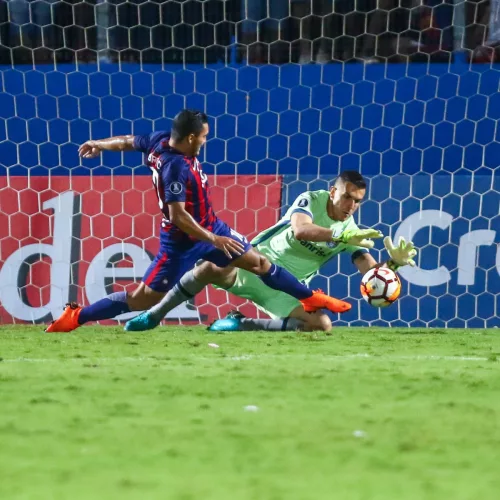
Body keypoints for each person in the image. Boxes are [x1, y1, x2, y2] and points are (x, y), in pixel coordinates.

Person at [45, 109, 356, 333]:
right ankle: (77, 316)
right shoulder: (175, 168)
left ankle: (311, 297)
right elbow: (177, 216)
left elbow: (128, 141)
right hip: (183, 241)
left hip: (212, 227)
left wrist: (100, 143)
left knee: (259, 263)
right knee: (143, 298)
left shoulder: (159, 140)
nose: (206, 142)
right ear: (191, 138)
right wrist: (214, 240)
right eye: (204, 138)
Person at [125, 171, 417, 333]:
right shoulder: (311, 200)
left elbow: (370, 274)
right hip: (253, 263)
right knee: (209, 267)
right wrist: (339, 233)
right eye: (347, 198)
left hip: (284, 289)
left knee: (322, 325)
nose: (351, 206)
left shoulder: (352, 230)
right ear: (332, 192)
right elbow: (301, 230)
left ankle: (241, 324)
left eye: (358, 202)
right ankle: (153, 314)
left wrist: (393, 265)